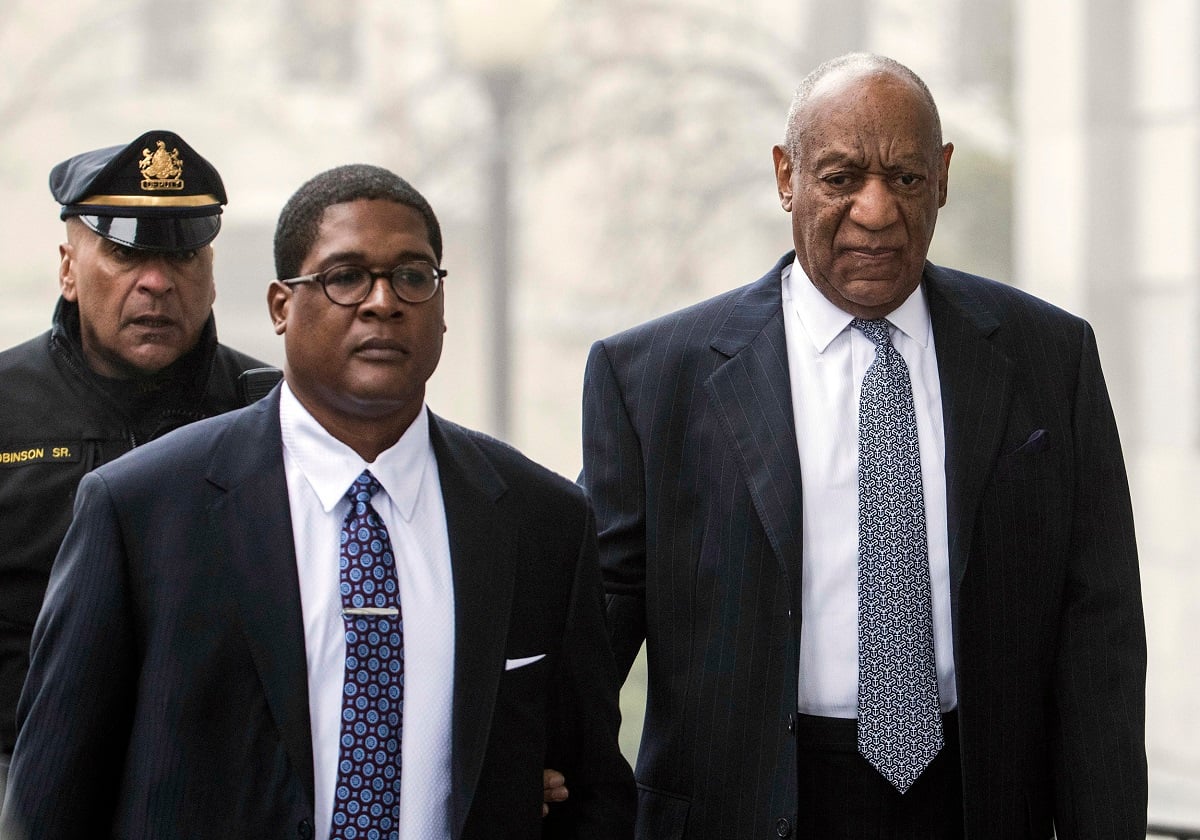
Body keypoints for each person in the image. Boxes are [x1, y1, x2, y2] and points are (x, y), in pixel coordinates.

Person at [580, 53, 1146, 839]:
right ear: (787, 177)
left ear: (942, 178)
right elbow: (590, 637)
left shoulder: (1051, 358)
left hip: (977, 804)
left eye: (905, 178)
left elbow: (1100, 641)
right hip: (746, 810)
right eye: (841, 178)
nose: (876, 212)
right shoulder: (650, 380)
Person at [1, 163, 634, 839]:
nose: (383, 302)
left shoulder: (542, 520)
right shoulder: (140, 510)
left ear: (443, 306)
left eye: (413, 276)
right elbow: (51, 804)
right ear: (281, 306)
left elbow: (592, 794)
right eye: (346, 277)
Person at [0, 130, 278, 776]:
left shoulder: (269, 416)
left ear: (211, 275)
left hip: (213, 782)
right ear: (69, 269)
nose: (157, 282)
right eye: (126, 254)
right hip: (20, 773)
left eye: (182, 256)